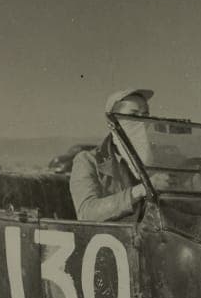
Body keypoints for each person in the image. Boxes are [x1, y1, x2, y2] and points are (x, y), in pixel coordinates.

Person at [70, 88, 171, 221]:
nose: (142, 122)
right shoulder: (88, 161)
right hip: (114, 238)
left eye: (145, 115)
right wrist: (140, 190)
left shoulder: (159, 158)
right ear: (113, 121)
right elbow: (87, 212)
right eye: (133, 115)